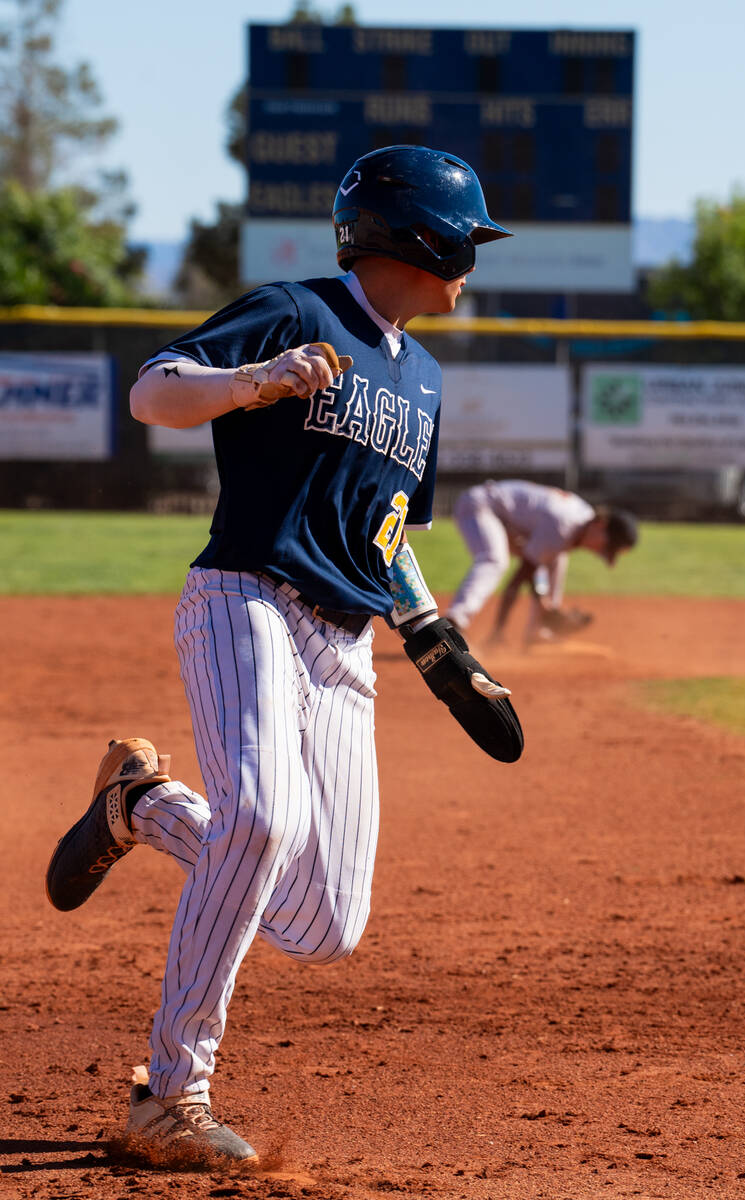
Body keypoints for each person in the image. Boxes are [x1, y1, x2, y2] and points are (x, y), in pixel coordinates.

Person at [44, 145, 518, 1164]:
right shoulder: (296, 311)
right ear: (420, 236)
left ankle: (143, 804)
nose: (472, 261)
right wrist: (254, 380)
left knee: (322, 925)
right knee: (259, 817)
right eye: (464, 240)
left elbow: (384, 533)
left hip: (342, 647)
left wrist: (434, 638)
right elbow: (153, 392)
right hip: (246, 596)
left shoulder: (423, 380)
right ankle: (172, 1095)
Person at [445, 480, 638, 645]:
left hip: (510, 521)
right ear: (600, 524)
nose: (600, 553)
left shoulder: (582, 519)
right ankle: (455, 621)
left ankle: (538, 631)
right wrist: (499, 629)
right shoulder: (562, 526)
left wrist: (543, 601)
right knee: (495, 560)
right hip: (482, 506)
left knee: (557, 559)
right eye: (606, 546)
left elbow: (536, 568)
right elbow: (520, 578)